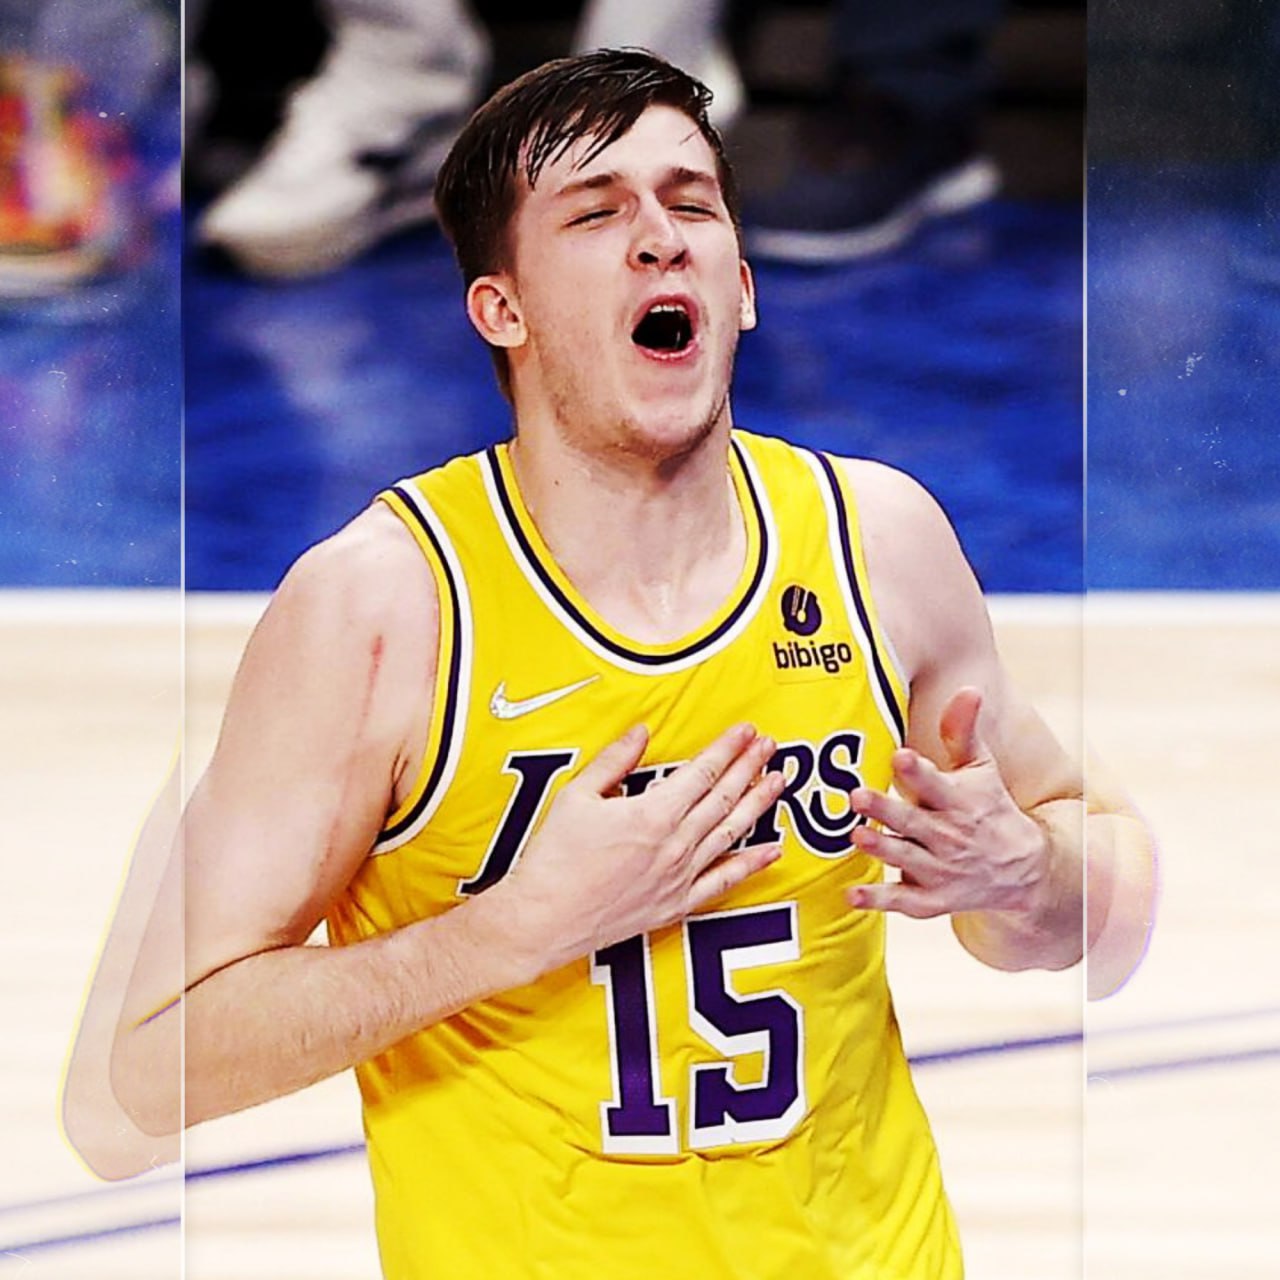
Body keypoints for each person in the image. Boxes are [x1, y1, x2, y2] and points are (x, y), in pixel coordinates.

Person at [70, 49, 1154, 1277]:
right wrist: (508, 930)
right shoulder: (383, 607)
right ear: (503, 310)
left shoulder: (877, 541)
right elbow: (156, 1064)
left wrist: (1024, 875)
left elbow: (1083, 890)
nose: (659, 237)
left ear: (740, 285)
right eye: (595, 213)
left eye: (690, 203)